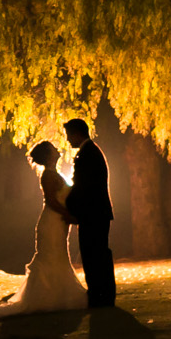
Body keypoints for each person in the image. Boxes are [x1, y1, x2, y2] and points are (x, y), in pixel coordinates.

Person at [0, 139, 89, 319]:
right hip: (52, 221)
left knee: (58, 256)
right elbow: (52, 202)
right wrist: (69, 215)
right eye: (53, 148)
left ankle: (57, 295)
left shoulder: (54, 174)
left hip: (58, 221)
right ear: (49, 155)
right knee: (51, 256)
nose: (57, 149)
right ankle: (46, 298)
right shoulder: (48, 176)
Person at [65, 117, 117, 307]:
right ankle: (101, 294)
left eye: (69, 136)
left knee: (93, 254)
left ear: (77, 134)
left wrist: (70, 208)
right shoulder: (90, 152)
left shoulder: (88, 154)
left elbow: (83, 187)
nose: (68, 140)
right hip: (97, 213)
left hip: (93, 214)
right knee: (97, 254)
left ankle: (99, 295)